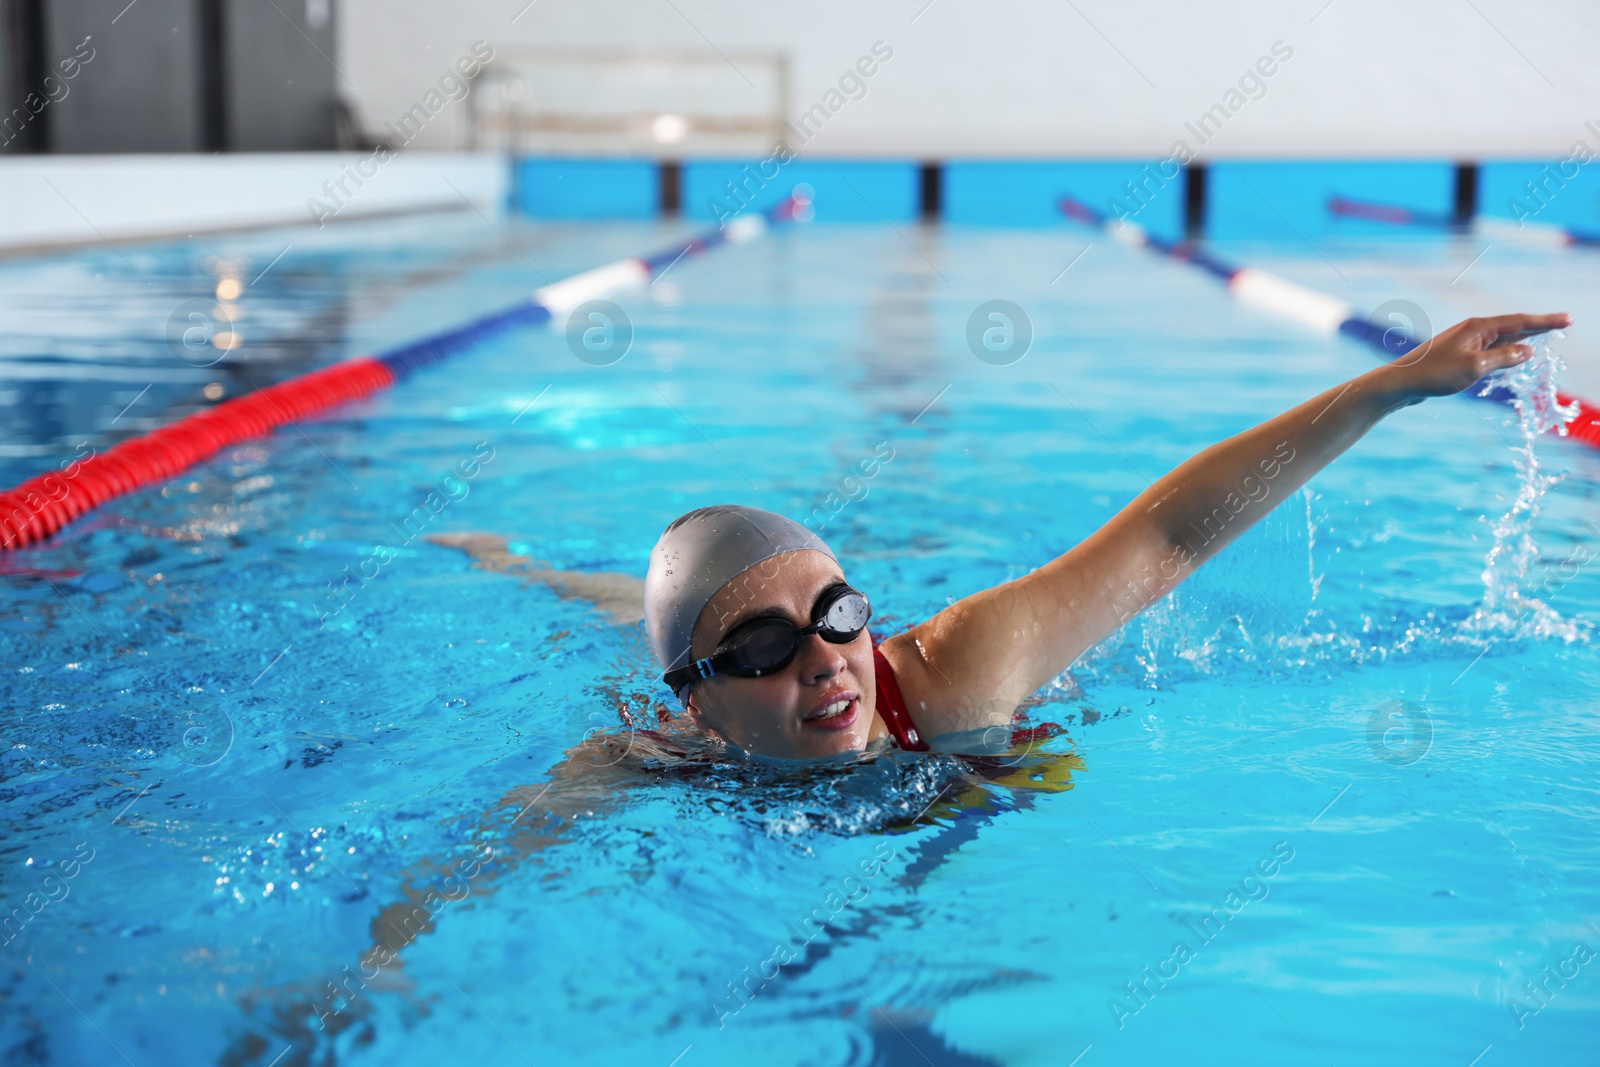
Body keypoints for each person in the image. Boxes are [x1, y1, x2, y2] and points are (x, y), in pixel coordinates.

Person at [643, 312, 1571, 761]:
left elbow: (1167, 537)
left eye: (839, 613)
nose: (824, 659)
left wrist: (1390, 384)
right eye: (763, 645)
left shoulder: (958, 667)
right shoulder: (658, 767)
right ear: (697, 706)